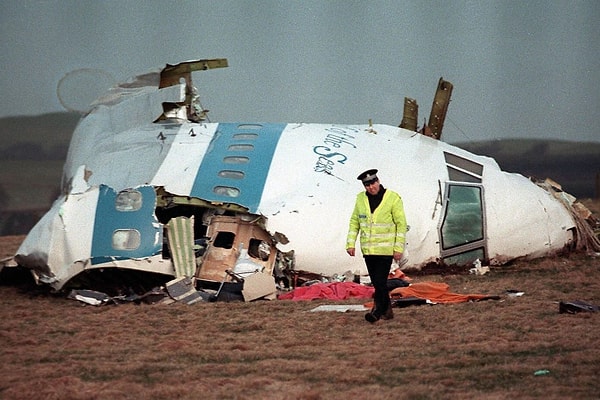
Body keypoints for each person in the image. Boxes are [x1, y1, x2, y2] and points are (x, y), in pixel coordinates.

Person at [346, 169, 407, 323]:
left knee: (380, 282)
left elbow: (401, 224)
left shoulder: (393, 198)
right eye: (367, 185)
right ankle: (387, 311)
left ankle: (377, 311)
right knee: (377, 283)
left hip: (385, 250)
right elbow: (355, 222)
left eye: (373, 183)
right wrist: (350, 243)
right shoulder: (360, 199)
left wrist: (398, 248)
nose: (371, 187)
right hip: (368, 250)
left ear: (378, 181)